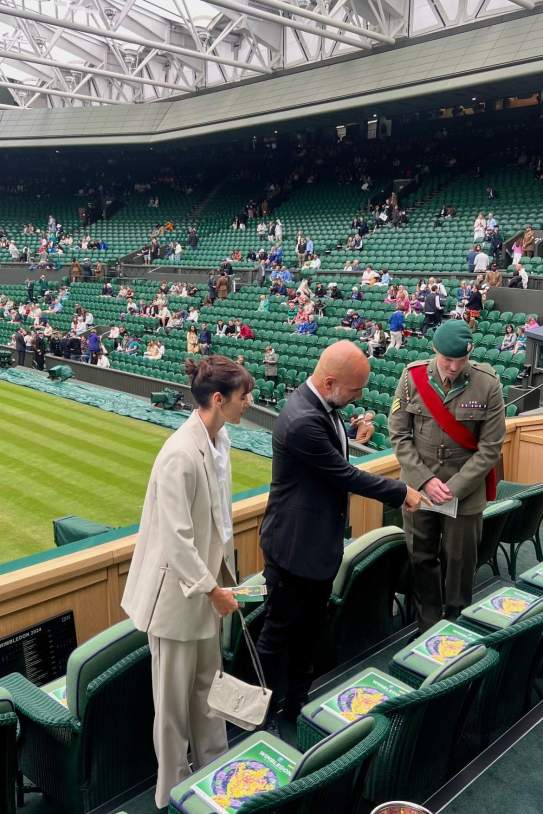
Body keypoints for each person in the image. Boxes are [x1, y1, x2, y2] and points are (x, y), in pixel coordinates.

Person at [256, 341, 422, 731]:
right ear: (330, 382)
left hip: (315, 547)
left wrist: (350, 430)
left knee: (309, 631)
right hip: (295, 548)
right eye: (354, 390)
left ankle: (294, 704)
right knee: (279, 635)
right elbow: (344, 474)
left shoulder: (320, 406)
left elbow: (330, 441)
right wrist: (402, 492)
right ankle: (258, 715)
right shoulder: (301, 420)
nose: (358, 396)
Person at [122, 356, 253, 808]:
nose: (248, 404)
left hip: (206, 594)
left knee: (209, 691)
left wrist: (222, 583)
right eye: (242, 397)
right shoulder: (178, 453)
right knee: (173, 708)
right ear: (219, 399)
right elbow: (175, 538)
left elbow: (217, 522)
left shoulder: (223, 440)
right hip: (177, 601)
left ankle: (215, 773)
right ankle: (171, 795)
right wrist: (211, 589)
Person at [389, 320, 506, 632]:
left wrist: (453, 487)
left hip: (463, 493)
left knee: (460, 561)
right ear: (434, 352)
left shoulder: (488, 384)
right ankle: (427, 623)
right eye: (446, 360)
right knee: (421, 555)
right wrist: (426, 480)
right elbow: (399, 435)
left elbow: (490, 448)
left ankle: (456, 623)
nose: (453, 367)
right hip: (420, 488)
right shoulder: (412, 377)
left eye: (460, 360)